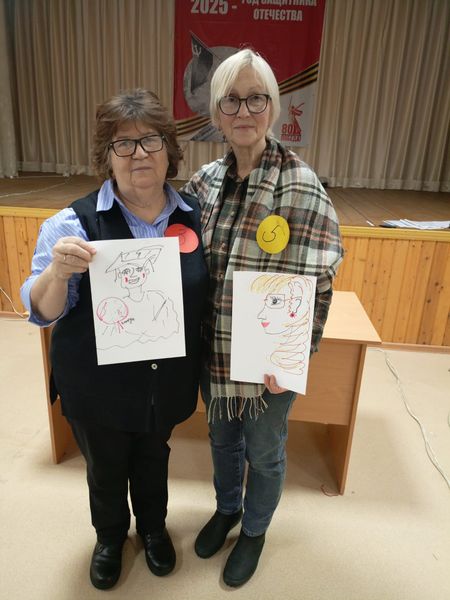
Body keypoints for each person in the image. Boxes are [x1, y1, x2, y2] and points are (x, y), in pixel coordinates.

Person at [20, 89, 208, 590]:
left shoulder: (196, 216)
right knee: (104, 468)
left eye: (150, 140)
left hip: (164, 382)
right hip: (95, 385)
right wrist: (58, 273)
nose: (138, 153)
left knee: (153, 458)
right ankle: (109, 537)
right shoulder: (70, 224)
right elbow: (41, 311)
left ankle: (153, 529)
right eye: (123, 144)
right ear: (107, 157)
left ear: (169, 149)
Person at [182, 49, 343, 587]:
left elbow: (319, 282)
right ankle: (227, 508)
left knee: (265, 452)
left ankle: (253, 530)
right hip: (215, 347)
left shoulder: (301, 183)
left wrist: (292, 355)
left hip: (268, 361)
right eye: (231, 99)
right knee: (221, 439)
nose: (244, 110)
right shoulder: (204, 181)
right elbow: (179, 257)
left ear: (272, 106)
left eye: (256, 98)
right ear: (216, 111)